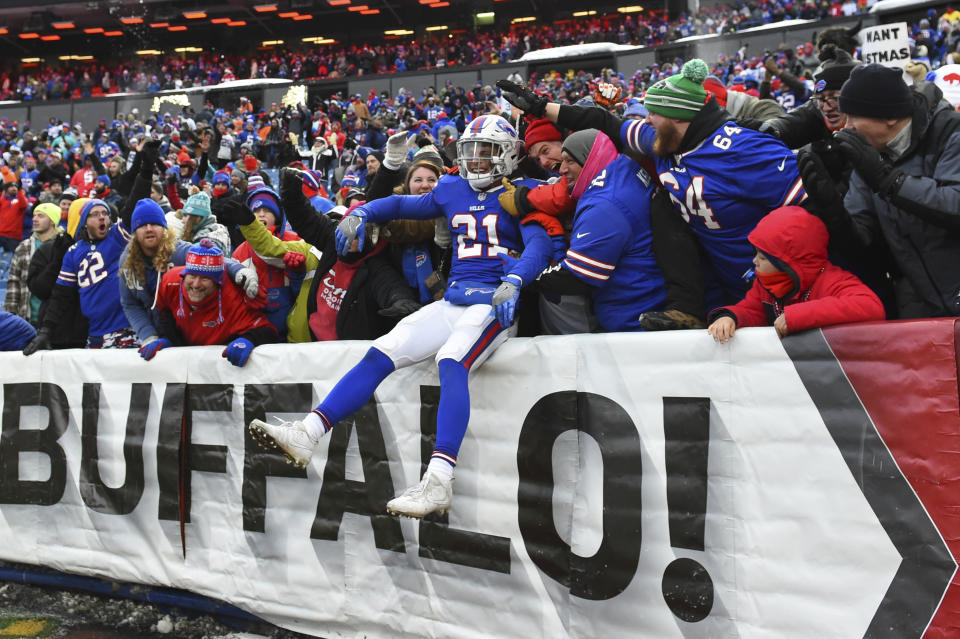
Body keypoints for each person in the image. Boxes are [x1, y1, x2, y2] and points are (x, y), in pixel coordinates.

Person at [248, 114, 552, 519]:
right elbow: (402, 203)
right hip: (453, 302)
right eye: (472, 151)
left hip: (492, 304)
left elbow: (539, 243)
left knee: (451, 360)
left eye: (487, 151)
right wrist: (363, 213)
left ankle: (439, 480)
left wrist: (515, 277)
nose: (477, 160)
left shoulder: (524, 192)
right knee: (381, 351)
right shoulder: (452, 188)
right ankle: (308, 433)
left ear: (509, 155)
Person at [498, 59, 808, 325]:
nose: (646, 120)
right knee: (665, 202)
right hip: (725, 284)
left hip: (780, 285)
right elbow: (604, 120)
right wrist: (541, 107)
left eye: (653, 114)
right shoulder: (664, 141)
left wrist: (786, 271)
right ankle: (686, 307)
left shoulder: (744, 148)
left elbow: (808, 216)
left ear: (678, 117)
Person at [802, 64, 960, 317]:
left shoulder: (950, 131)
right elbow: (863, 241)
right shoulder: (870, 154)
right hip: (921, 303)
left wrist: (889, 182)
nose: (847, 126)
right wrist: (831, 208)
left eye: (854, 117)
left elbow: (955, 204)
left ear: (890, 117)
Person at [23, 140, 161, 353]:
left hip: (126, 330)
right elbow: (60, 295)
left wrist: (146, 169)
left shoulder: (116, 237)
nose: (102, 217)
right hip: (94, 334)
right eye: (95, 215)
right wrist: (45, 331)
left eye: (105, 213)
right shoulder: (73, 252)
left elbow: (134, 203)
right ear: (84, 222)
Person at [707, 206, 885, 341]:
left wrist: (797, 316)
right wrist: (730, 317)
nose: (754, 261)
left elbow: (871, 306)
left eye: (763, 257)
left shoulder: (832, 281)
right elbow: (750, 310)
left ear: (786, 264)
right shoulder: (765, 284)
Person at [120, 198, 258, 354]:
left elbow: (210, 259)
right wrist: (148, 335)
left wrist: (238, 270)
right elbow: (130, 303)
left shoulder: (177, 250)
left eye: (155, 224)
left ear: (164, 228)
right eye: (143, 225)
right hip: (154, 334)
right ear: (135, 231)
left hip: (183, 333)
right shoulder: (127, 261)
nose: (149, 229)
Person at [144, 239, 279, 365]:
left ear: (217, 283)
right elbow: (164, 313)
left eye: (204, 278)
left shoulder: (232, 299)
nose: (196, 284)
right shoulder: (170, 282)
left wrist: (248, 340)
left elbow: (268, 330)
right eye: (191, 276)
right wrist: (168, 338)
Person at [3, 202, 60, 325]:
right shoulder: (24, 246)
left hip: (55, 319)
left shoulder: (63, 246)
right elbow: (14, 282)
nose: (34, 219)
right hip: (28, 317)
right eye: (34, 215)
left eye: (40, 216)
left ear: (52, 220)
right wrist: (11, 314)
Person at [0, 176, 28, 253]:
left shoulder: (20, 200)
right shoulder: (3, 200)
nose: (14, 188)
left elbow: (24, 205)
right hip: (1, 234)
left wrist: (20, 190)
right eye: (11, 186)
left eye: (15, 186)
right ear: (6, 190)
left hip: (14, 237)